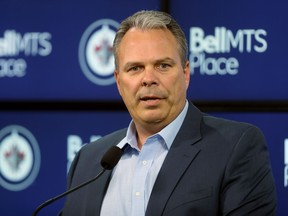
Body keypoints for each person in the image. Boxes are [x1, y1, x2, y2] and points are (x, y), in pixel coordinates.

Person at [61, 10, 276, 216]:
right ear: (118, 81)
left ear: (185, 73)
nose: (148, 79)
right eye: (135, 68)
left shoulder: (235, 147)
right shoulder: (88, 161)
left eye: (162, 65)